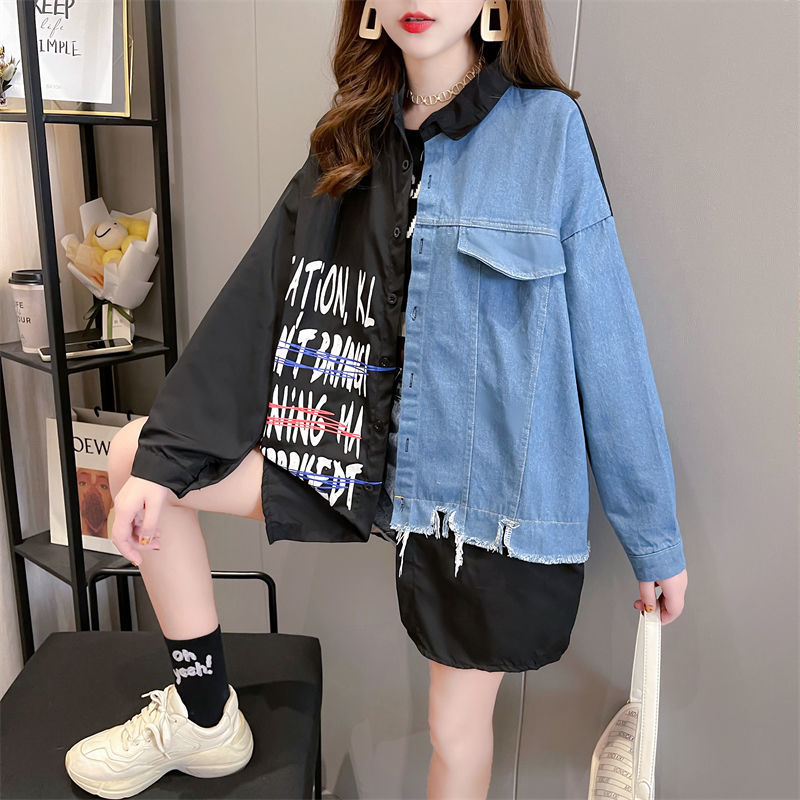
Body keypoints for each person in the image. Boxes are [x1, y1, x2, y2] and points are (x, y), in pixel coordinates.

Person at [64, 2, 689, 798]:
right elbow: (260, 301)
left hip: (472, 498)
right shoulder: (347, 138)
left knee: (454, 730)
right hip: (346, 456)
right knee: (137, 458)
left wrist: (653, 539)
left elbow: (608, 338)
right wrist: (167, 460)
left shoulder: (547, 133)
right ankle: (204, 715)